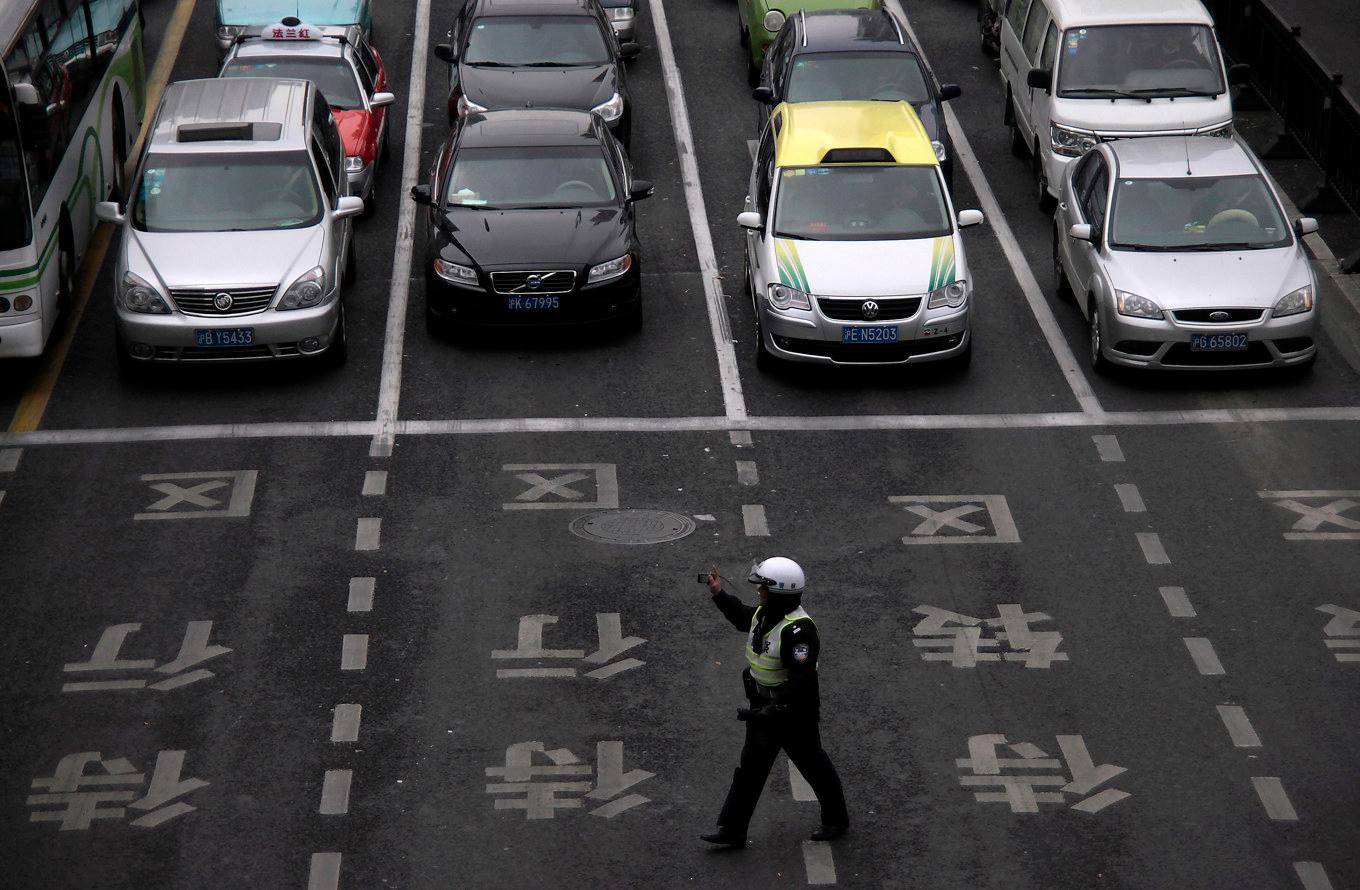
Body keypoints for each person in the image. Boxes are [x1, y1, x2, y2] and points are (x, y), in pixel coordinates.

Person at [699, 557, 849, 848]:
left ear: (780, 593)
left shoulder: (799, 631)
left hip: (793, 713)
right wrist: (718, 593)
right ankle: (732, 830)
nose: (760, 594)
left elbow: (801, 682)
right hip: (763, 705)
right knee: (750, 769)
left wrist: (776, 709)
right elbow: (742, 616)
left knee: (813, 764)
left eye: (764, 589)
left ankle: (836, 820)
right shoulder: (765, 615)